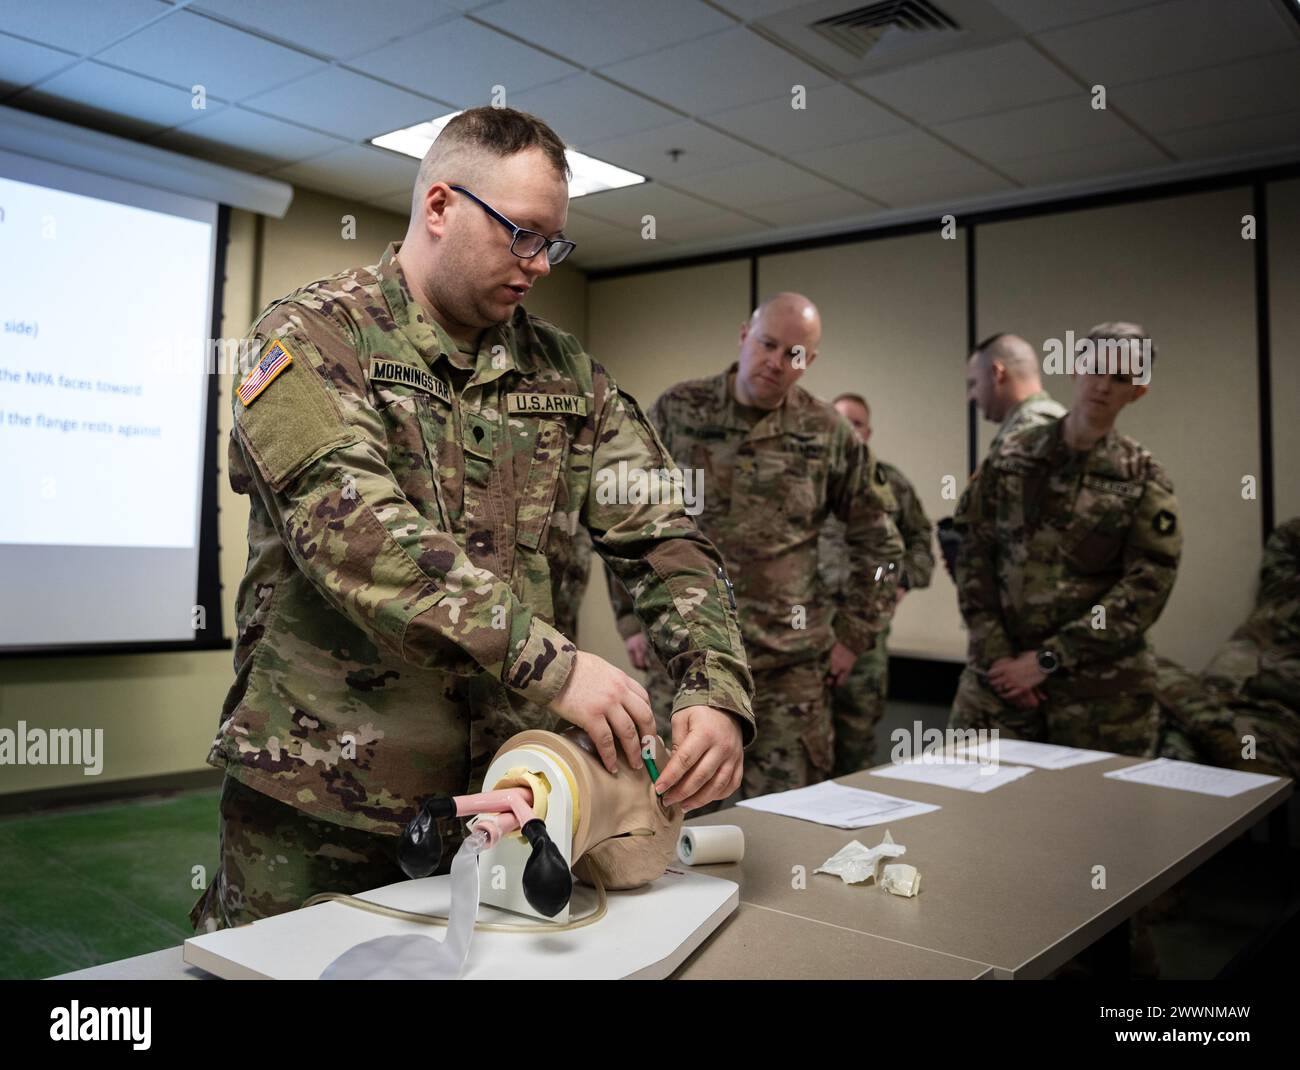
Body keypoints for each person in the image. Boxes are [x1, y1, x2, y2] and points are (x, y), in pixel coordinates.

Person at [190, 107, 753, 932]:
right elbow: (356, 533)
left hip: (510, 796)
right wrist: (551, 663)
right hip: (322, 804)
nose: (540, 266)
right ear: (441, 206)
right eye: (522, 235)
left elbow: (660, 532)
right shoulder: (310, 338)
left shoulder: (566, 376)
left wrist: (715, 682)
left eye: (553, 244)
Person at [609, 293, 904, 799]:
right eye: (767, 344)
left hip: (788, 673)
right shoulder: (678, 410)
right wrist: (630, 618)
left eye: (794, 354)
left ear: (809, 362)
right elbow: (625, 516)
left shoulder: (827, 432)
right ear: (745, 335)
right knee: (678, 813)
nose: (775, 361)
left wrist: (855, 635)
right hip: (689, 661)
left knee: (791, 817)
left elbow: (884, 548)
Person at [949, 322, 1180, 756]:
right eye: (1095, 369)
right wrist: (1002, 660)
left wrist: (1046, 661)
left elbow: (1146, 588)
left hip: (1099, 694)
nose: (1103, 386)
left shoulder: (1144, 479)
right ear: (1075, 369)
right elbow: (974, 555)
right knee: (967, 805)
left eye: (1120, 378)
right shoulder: (1013, 459)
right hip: (999, 683)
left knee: (1096, 816)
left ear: (1138, 392)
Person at [817, 392, 934, 773]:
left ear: (869, 432)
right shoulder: (803, 482)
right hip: (804, 631)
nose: (850, 430)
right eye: (841, 421)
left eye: (858, 423)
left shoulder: (891, 484)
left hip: (866, 632)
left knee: (856, 740)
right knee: (799, 745)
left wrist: (897, 582)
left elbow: (919, 546)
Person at [1157, 517, 1300, 779]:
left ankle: (1219, 737)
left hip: (1277, 715)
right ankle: (1216, 731)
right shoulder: (1283, 588)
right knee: (1146, 665)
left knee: (1181, 757)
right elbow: (1288, 535)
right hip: (1213, 694)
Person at [937, 334, 1067, 579]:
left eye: (973, 384)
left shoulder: (1034, 431)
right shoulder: (1038, 428)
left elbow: (1023, 531)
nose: (971, 397)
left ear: (997, 373)